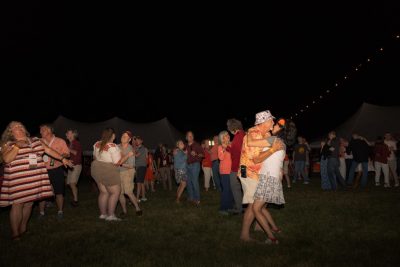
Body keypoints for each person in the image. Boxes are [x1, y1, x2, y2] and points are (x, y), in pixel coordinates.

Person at [0, 121, 72, 240]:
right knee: (18, 204)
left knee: (29, 204)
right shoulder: (7, 143)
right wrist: (17, 145)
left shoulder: (36, 140)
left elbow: (48, 150)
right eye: (15, 126)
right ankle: (15, 233)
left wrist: (62, 159)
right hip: (18, 179)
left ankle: (23, 228)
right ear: (10, 131)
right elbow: (7, 159)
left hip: (34, 178)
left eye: (21, 125)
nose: (19, 127)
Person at [238, 111, 285, 242]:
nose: (273, 123)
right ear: (263, 122)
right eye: (271, 121)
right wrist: (272, 149)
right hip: (248, 171)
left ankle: (259, 226)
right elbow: (256, 159)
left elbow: (271, 147)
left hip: (258, 173)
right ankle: (244, 235)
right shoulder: (253, 133)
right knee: (253, 204)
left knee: (261, 202)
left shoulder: (267, 133)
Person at [252, 123, 286, 244]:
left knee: (255, 208)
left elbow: (252, 145)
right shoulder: (281, 142)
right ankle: (275, 229)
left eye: (275, 126)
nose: (272, 127)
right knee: (262, 208)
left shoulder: (273, 140)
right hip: (272, 177)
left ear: (280, 130)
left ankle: (272, 238)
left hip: (268, 178)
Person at [38, 124, 70, 219]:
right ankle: (41, 213)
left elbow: (67, 154)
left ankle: (60, 211)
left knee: (59, 191)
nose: (40, 132)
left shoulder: (60, 141)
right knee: (42, 193)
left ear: (49, 130)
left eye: (42, 130)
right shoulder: (39, 142)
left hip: (57, 169)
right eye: (40, 130)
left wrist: (61, 156)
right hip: (42, 170)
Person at [91, 128, 122, 221]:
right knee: (115, 192)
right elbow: (117, 162)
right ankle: (111, 215)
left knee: (103, 192)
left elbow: (94, 157)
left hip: (96, 168)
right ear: (113, 136)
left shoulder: (96, 144)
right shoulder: (113, 146)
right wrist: (127, 156)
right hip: (108, 169)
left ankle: (103, 214)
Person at [117, 131, 142, 217]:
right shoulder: (117, 147)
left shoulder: (130, 149)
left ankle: (137, 208)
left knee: (128, 192)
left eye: (126, 136)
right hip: (117, 172)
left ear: (129, 139)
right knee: (119, 192)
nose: (123, 137)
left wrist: (119, 163)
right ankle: (124, 211)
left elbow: (131, 165)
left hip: (127, 172)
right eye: (122, 135)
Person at [226, 118, 245, 214]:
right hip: (244, 166)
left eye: (229, 129)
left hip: (237, 167)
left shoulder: (237, 137)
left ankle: (239, 208)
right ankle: (243, 205)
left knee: (235, 187)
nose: (229, 131)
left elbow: (236, 153)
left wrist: (227, 147)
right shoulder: (243, 134)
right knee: (243, 186)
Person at [186, 131, 203, 206]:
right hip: (187, 165)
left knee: (194, 181)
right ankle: (191, 197)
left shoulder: (197, 145)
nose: (190, 137)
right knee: (188, 181)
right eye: (189, 136)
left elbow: (202, 155)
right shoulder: (185, 146)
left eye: (191, 136)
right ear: (186, 138)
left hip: (195, 165)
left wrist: (196, 154)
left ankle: (197, 199)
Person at [218, 131, 234, 215]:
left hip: (232, 171)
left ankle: (230, 206)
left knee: (231, 190)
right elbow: (220, 157)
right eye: (225, 135)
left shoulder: (231, 145)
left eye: (228, 135)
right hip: (224, 171)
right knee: (226, 190)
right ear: (222, 138)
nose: (228, 136)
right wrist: (224, 149)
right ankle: (223, 208)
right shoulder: (220, 147)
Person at [65, 129, 82, 207]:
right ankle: (74, 198)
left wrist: (67, 149)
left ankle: (76, 201)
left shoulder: (76, 143)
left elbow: (75, 153)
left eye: (68, 133)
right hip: (71, 165)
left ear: (73, 135)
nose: (66, 134)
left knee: (72, 183)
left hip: (76, 166)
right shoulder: (70, 143)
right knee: (69, 183)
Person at [135, 136, 148, 202]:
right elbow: (146, 157)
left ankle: (137, 198)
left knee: (138, 183)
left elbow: (136, 155)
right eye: (136, 140)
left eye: (137, 140)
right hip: (141, 167)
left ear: (141, 141)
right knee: (142, 183)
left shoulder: (142, 148)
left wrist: (131, 153)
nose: (136, 141)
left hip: (141, 167)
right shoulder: (140, 148)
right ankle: (143, 197)